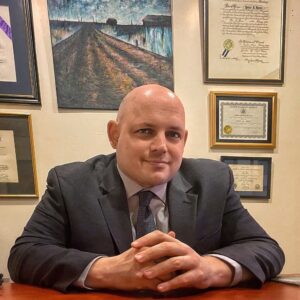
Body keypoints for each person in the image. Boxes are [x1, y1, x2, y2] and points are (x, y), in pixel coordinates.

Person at [8, 84, 284, 293]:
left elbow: (266, 249)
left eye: (173, 134)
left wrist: (210, 269)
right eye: (146, 131)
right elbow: (25, 256)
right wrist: (106, 270)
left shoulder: (213, 180)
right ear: (114, 135)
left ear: (184, 140)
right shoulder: (70, 183)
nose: (161, 147)